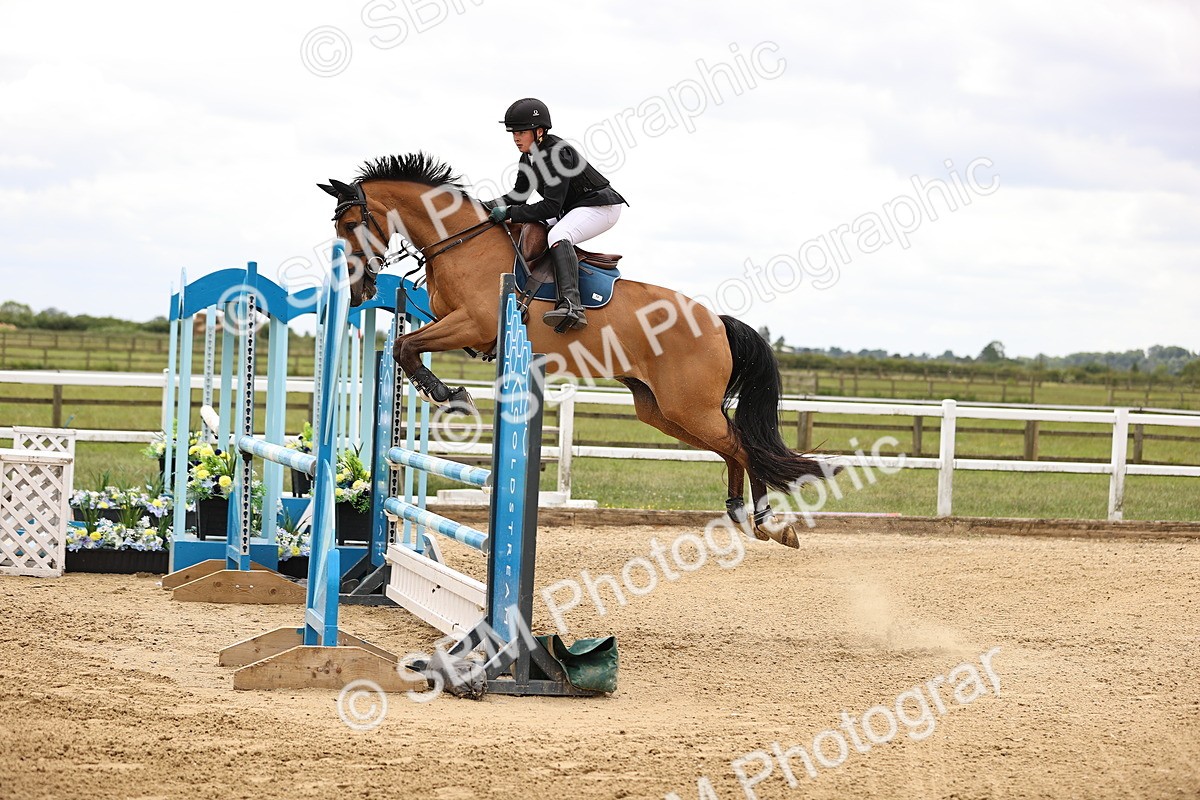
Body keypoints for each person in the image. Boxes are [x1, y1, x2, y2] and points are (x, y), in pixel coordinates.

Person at [485, 98, 627, 330]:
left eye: (521, 132)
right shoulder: (528, 157)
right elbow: (519, 195)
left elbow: (550, 207)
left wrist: (509, 212)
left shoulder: (556, 155)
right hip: (571, 207)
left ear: (539, 131)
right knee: (533, 226)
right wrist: (483, 206)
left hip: (600, 207)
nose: (516, 138)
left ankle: (572, 305)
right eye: (513, 133)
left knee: (558, 235)